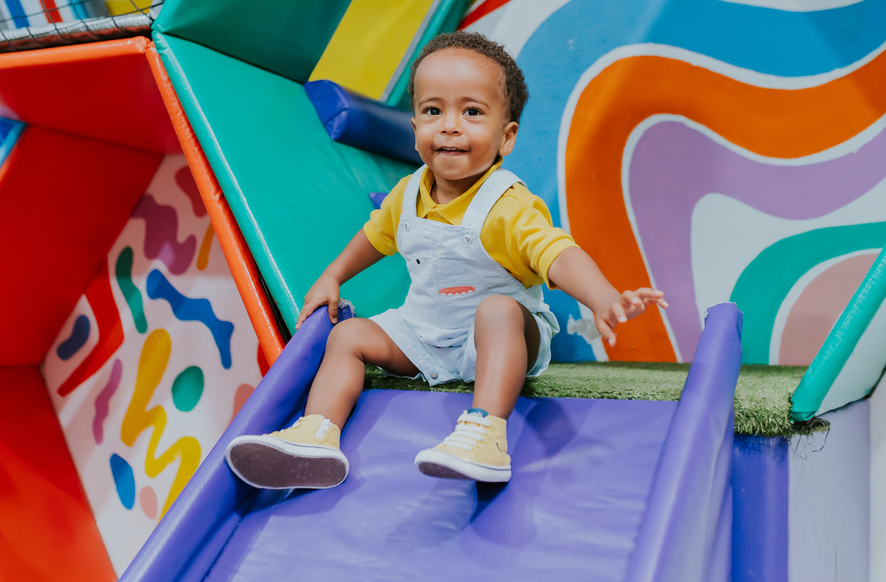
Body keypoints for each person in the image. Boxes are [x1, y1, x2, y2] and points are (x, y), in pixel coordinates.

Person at [226, 31, 667, 488]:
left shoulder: (507, 205)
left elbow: (556, 253)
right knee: (349, 335)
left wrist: (603, 298)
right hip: (425, 335)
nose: (450, 126)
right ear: (415, 125)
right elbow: (375, 237)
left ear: (506, 136)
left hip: (501, 340)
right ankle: (316, 434)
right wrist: (332, 276)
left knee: (496, 310)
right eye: (433, 111)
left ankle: (485, 435)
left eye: (471, 112)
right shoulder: (408, 194)